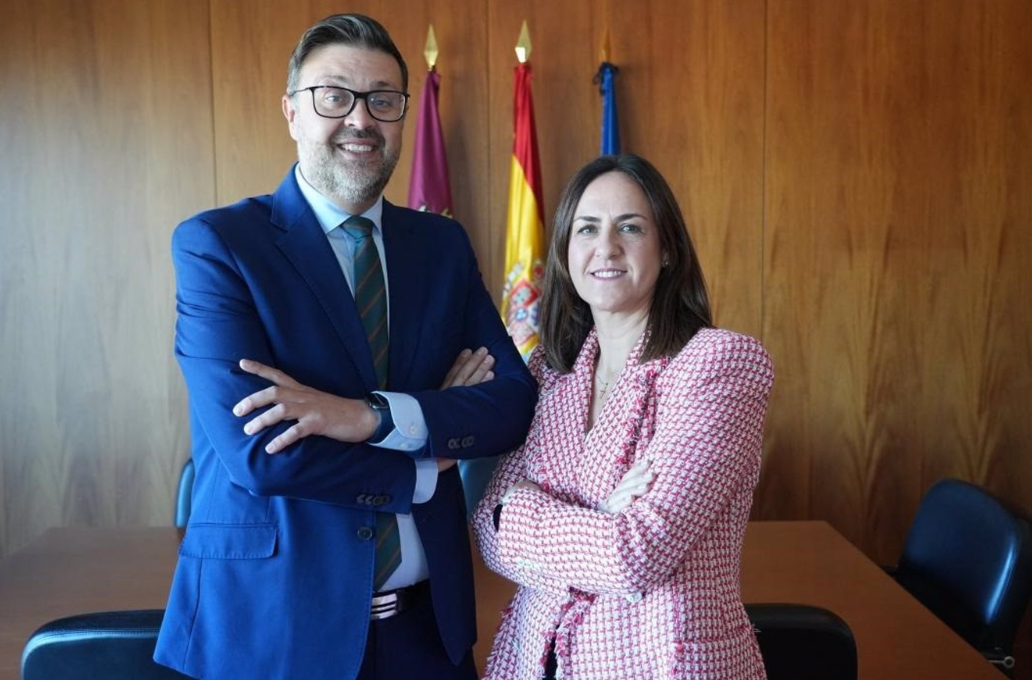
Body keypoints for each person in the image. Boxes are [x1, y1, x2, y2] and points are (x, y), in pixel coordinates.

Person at [153, 14, 537, 680]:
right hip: (272, 632)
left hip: (429, 632)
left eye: (383, 100)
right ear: (292, 113)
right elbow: (261, 452)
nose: (361, 119)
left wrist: (368, 418)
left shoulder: (441, 247)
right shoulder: (219, 247)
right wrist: (424, 458)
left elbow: (510, 404)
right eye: (334, 96)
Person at [472, 154, 774, 680]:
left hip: (663, 665)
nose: (606, 247)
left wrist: (524, 512)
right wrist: (603, 516)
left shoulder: (718, 365)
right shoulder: (549, 372)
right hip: (535, 660)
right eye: (587, 228)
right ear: (565, 253)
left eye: (630, 227)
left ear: (667, 250)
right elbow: (488, 530)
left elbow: (635, 553)